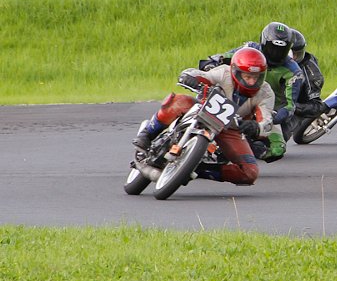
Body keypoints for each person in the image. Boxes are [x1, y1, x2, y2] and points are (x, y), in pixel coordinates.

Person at [132, 46, 274, 185]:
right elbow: (200, 75)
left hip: (230, 127)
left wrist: (256, 127)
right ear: (235, 71)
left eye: (256, 77)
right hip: (203, 109)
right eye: (248, 76)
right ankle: (147, 134)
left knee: (249, 173)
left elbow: (267, 122)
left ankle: (198, 169)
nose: (252, 82)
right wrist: (190, 77)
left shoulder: (266, 93)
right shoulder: (223, 73)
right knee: (180, 100)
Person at [199, 21, 303, 161]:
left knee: (277, 150)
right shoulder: (250, 49)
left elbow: (290, 106)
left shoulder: (294, 72)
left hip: (268, 108)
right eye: (272, 48)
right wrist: (211, 62)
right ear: (263, 42)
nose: (276, 54)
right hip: (235, 95)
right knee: (204, 91)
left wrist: (269, 120)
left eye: (281, 50)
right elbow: (226, 56)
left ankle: (245, 146)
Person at [287, 28, 327, 139]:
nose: (293, 58)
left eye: (297, 54)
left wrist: (293, 107)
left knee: (277, 144)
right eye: (291, 54)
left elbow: (317, 106)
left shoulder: (312, 73)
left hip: (292, 107)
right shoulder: (269, 58)